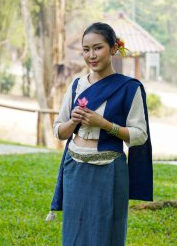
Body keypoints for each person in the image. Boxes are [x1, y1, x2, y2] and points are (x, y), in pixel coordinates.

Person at [46, 22, 153, 246]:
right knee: (75, 230)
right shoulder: (76, 85)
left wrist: (105, 124)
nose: (91, 55)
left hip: (109, 171)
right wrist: (73, 121)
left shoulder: (129, 88)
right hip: (74, 167)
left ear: (114, 48)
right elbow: (59, 130)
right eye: (86, 49)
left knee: (105, 231)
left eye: (98, 48)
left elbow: (140, 134)